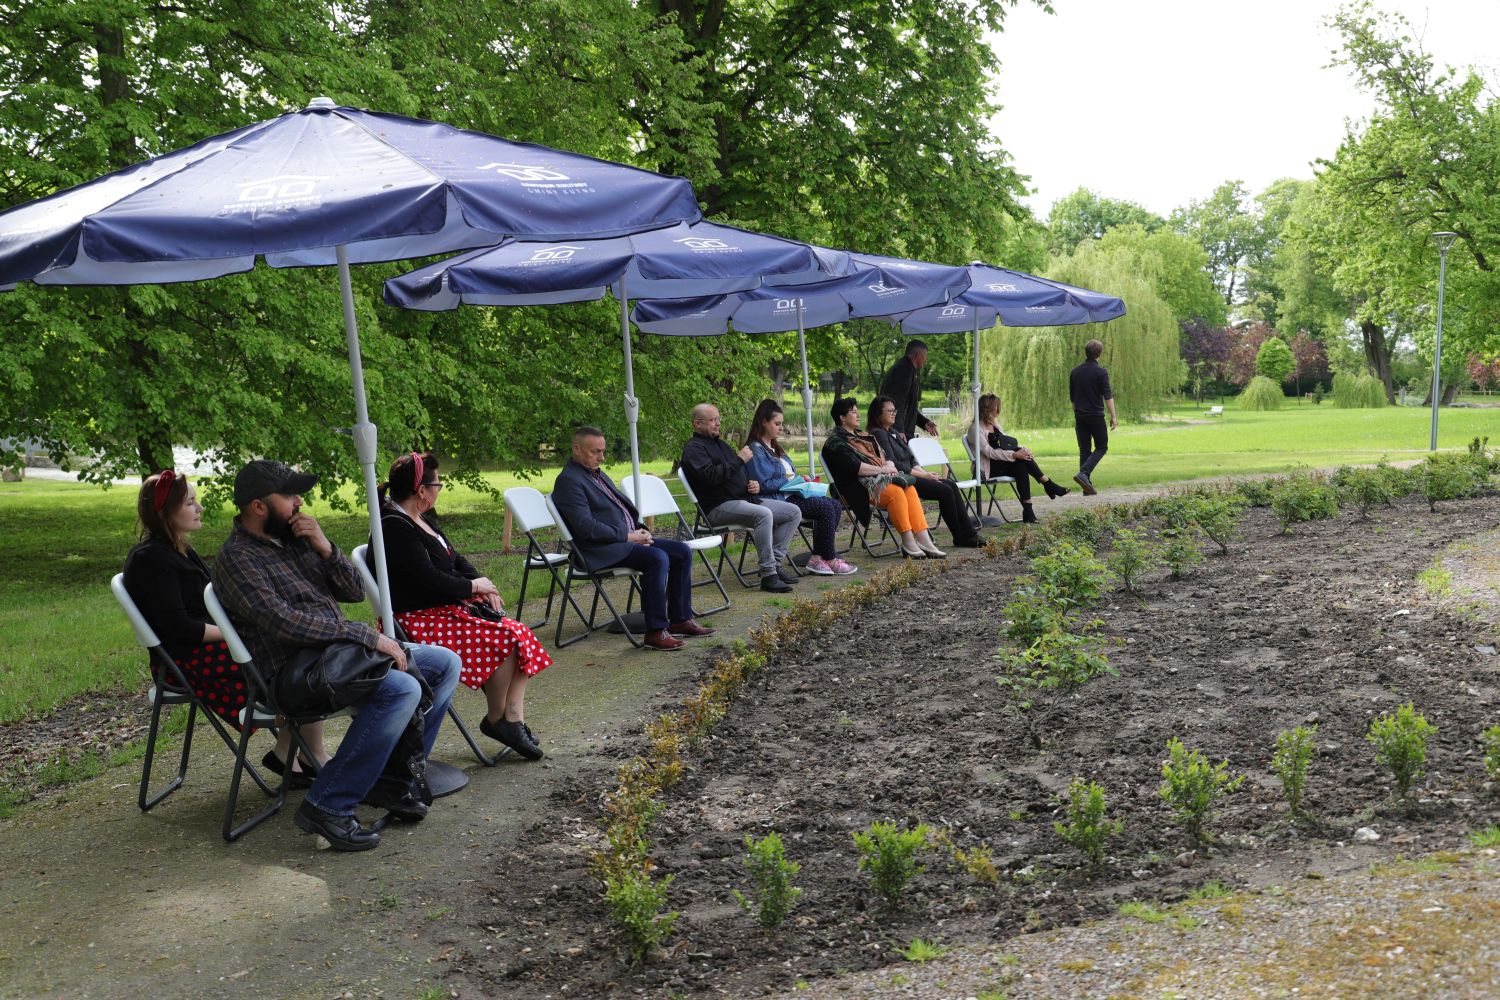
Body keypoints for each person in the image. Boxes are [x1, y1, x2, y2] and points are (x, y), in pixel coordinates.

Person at [211, 460, 461, 852]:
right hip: (293, 676)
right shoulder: (237, 560)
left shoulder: (296, 539)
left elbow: (354, 591)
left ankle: (391, 783)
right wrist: (365, 636)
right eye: (290, 496)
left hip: (338, 658)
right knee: (400, 688)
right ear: (258, 506)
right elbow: (285, 623)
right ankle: (329, 804)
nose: (299, 502)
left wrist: (326, 547)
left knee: (444, 663)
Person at [122, 470, 329, 785]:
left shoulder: (180, 549)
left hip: (209, 646)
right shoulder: (151, 560)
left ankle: (295, 752)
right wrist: (241, 633)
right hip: (185, 660)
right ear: (165, 512)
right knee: (291, 657)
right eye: (190, 502)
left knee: (299, 647)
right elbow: (181, 629)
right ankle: (302, 753)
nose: (199, 508)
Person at [373, 452, 552, 762]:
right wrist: (472, 588)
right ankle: (499, 719)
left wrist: (482, 582)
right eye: (437, 484)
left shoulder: (422, 519)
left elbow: (454, 559)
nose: (439, 489)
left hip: (441, 611)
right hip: (415, 621)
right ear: (421, 491)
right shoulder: (394, 527)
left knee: (518, 632)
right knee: (505, 639)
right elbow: (428, 579)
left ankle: (512, 718)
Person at [551, 427, 716, 652]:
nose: (601, 457)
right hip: (599, 550)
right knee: (656, 558)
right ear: (576, 449)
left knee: (681, 551)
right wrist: (629, 536)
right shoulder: (569, 481)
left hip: (624, 540)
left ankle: (679, 619)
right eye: (595, 452)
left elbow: (619, 510)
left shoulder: (595, 473)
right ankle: (655, 631)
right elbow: (586, 528)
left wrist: (641, 530)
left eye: (603, 451)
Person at [681, 403, 802, 594]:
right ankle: (768, 575)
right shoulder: (693, 449)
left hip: (743, 499)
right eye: (712, 420)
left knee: (793, 512)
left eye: (718, 419)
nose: (718, 423)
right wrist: (739, 459)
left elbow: (736, 472)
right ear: (697, 424)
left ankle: (775, 564)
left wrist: (750, 484)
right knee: (763, 514)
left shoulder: (721, 445)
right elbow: (711, 478)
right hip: (717, 507)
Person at [739, 399, 857, 575]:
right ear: (763, 422)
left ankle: (818, 557)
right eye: (777, 424)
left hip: (792, 494)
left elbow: (788, 475)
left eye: (782, 424)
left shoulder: (774, 447)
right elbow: (762, 485)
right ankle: (829, 559)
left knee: (833, 504)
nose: (781, 428)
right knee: (825, 508)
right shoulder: (756, 450)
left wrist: (801, 479)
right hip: (778, 500)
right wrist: (790, 481)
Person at [821, 397, 946, 559]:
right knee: (896, 492)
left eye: (857, 411)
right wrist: (882, 469)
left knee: (909, 488)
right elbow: (856, 468)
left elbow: (884, 454)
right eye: (853, 412)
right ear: (842, 417)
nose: (858, 415)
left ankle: (924, 540)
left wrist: (889, 466)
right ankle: (908, 541)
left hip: (877, 481)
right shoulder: (835, 443)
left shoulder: (863, 435)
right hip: (855, 488)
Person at [867, 395, 986, 548]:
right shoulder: (879, 433)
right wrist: (924, 475)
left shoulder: (893, 432)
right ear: (878, 414)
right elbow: (895, 464)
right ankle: (961, 536)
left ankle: (968, 534)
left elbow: (911, 460)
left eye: (894, 410)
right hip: (902, 480)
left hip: (913, 474)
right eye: (889, 411)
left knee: (952, 486)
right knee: (945, 491)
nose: (893, 413)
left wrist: (925, 473)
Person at [975, 393, 1069, 524]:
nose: (998, 410)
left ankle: (1028, 511)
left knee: (1021, 465)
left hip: (1003, 464)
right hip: (988, 469)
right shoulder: (975, 429)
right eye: (996, 406)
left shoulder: (995, 425)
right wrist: (1015, 454)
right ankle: (1048, 485)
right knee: (1020, 460)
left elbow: (1007, 445)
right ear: (987, 408)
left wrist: (1023, 450)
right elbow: (989, 452)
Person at [1069, 338, 1116, 495]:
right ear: (1099, 354)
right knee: (1102, 446)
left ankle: (1086, 488)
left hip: (1080, 416)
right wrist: (1113, 416)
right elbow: (1107, 396)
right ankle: (1083, 474)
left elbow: (1073, 399)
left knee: (1084, 450)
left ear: (1086, 352)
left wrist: (1077, 414)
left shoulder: (1075, 372)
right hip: (1095, 416)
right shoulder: (1101, 372)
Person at [879, 339, 939, 441]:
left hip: (900, 430)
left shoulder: (907, 369)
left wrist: (924, 422)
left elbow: (909, 405)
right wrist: (899, 430)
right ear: (917, 354)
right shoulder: (904, 370)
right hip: (897, 432)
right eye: (925, 356)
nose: (926, 360)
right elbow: (897, 402)